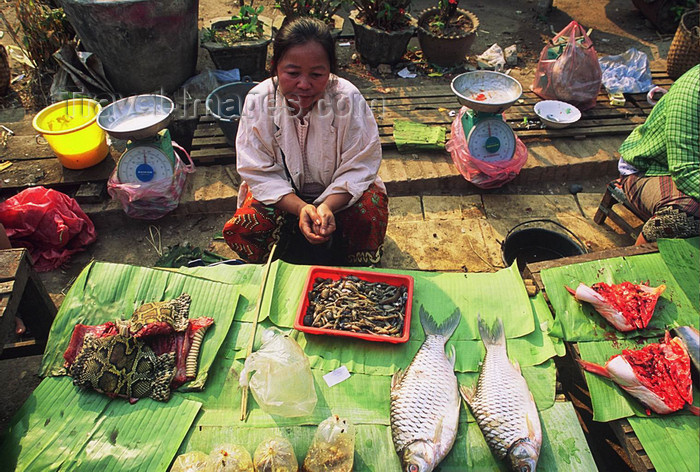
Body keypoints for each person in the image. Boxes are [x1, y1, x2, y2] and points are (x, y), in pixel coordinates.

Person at [223, 18, 388, 265]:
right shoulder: (258, 100)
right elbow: (256, 170)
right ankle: (281, 260)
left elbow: (361, 165)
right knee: (245, 226)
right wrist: (301, 208)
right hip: (282, 199)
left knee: (369, 214)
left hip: (340, 198)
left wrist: (326, 206)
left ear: (330, 71)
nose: (303, 84)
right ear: (275, 67)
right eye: (292, 73)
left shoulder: (348, 99)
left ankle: (350, 267)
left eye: (317, 74)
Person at [617, 64, 699, 244]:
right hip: (649, 169)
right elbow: (686, 172)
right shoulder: (692, 90)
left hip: (687, 169)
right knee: (685, 215)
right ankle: (636, 260)